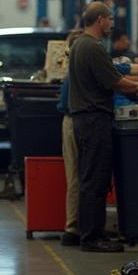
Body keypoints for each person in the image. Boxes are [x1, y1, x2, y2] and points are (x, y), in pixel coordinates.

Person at [65, 2, 138, 252]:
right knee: (95, 179)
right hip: (94, 119)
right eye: (110, 19)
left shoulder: (79, 44)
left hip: (84, 119)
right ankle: (92, 237)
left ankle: (88, 232)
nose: (112, 23)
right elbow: (115, 82)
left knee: (90, 177)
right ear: (100, 20)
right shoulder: (93, 47)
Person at [56, 30, 83, 241]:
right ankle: (72, 227)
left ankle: (75, 225)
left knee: (77, 174)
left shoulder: (72, 71)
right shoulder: (74, 71)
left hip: (73, 120)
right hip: (74, 121)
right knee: (75, 175)